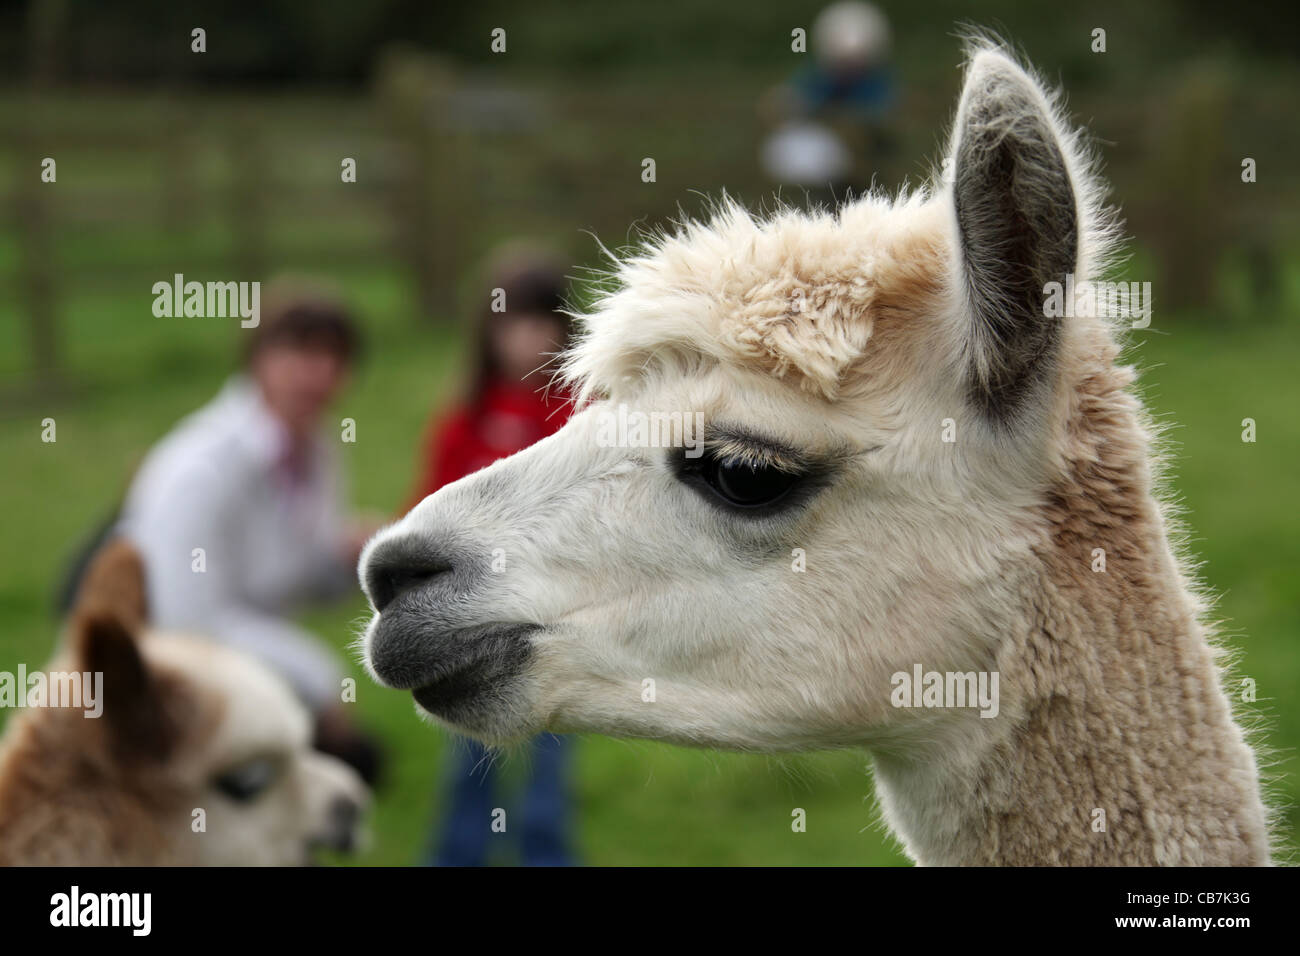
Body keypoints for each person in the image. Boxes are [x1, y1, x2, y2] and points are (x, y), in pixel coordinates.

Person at [115, 280, 383, 783]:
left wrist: (351, 559)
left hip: (247, 701)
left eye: (335, 357)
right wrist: (319, 679)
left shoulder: (317, 449)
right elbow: (185, 625)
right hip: (164, 710)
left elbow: (288, 580)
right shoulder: (198, 467)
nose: (320, 374)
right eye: (301, 352)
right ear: (258, 358)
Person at [410, 245, 578, 867]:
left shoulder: (574, 419)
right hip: (469, 623)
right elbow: (427, 509)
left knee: (551, 756)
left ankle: (546, 853)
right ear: (488, 331)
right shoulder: (464, 420)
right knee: (468, 755)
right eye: (513, 321)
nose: (528, 337)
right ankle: (458, 854)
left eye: (543, 321)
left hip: (549, 618)